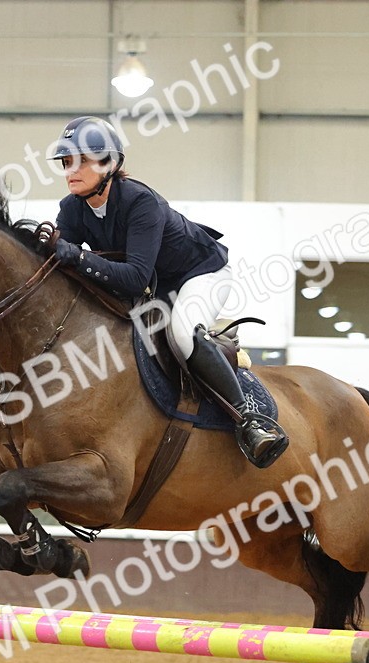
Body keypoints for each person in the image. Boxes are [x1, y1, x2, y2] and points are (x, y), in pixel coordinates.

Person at [48, 116, 288, 469]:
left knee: (182, 333)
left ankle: (250, 421)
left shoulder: (140, 202)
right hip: (156, 288)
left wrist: (80, 257)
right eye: (67, 161)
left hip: (201, 274)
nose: (72, 170)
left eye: (83, 160)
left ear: (110, 164)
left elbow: (131, 278)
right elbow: (65, 268)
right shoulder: (71, 209)